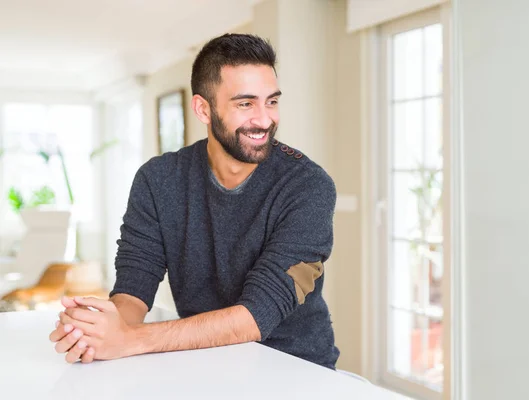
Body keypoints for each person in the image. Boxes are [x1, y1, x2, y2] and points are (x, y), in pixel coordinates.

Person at [49, 33, 340, 370]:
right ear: (203, 108)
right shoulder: (158, 180)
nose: (264, 119)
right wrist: (97, 328)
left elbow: (255, 317)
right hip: (202, 362)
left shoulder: (308, 187)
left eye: (271, 101)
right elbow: (133, 290)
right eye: (245, 104)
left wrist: (132, 339)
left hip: (297, 371)